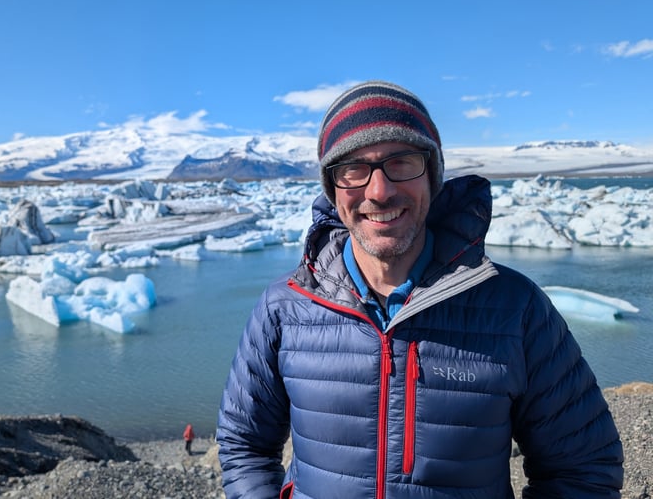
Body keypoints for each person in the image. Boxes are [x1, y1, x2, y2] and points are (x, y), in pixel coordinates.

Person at [216, 80, 624, 498]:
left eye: (402, 161)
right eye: (352, 168)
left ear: (433, 175)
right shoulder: (285, 308)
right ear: (332, 188)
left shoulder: (515, 309)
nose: (379, 191)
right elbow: (243, 444)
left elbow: (583, 468)